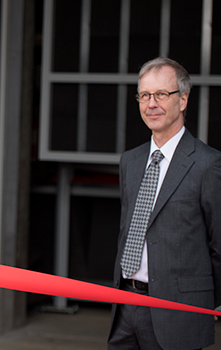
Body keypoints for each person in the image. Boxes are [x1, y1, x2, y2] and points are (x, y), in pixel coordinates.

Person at [108, 57, 221, 349]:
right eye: (144, 95)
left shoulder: (208, 164)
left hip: (178, 311)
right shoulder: (130, 161)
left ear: (183, 100)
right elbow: (127, 231)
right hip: (124, 306)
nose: (151, 104)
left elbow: (219, 242)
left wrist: (214, 303)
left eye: (161, 94)